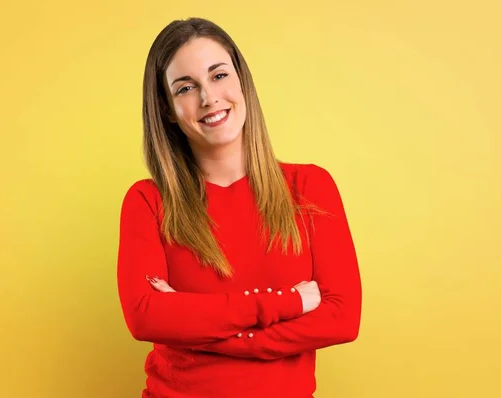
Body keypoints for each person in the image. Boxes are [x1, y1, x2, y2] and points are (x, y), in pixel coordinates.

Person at [117, 16, 362, 398]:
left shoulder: (310, 187)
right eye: (185, 87)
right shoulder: (148, 202)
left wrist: (201, 332)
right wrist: (289, 302)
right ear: (167, 109)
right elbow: (145, 316)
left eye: (218, 75)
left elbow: (342, 319)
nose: (208, 98)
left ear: (241, 82)